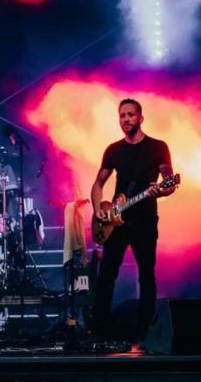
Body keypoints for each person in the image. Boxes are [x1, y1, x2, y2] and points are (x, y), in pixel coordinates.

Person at [91, 98, 175, 343]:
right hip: (115, 219)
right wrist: (97, 208)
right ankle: (99, 331)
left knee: (146, 275)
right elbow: (98, 184)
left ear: (141, 118)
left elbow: (169, 182)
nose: (126, 119)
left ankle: (144, 333)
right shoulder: (113, 150)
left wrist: (161, 191)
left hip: (144, 219)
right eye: (122, 115)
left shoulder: (157, 147)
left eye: (130, 115)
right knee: (106, 275)